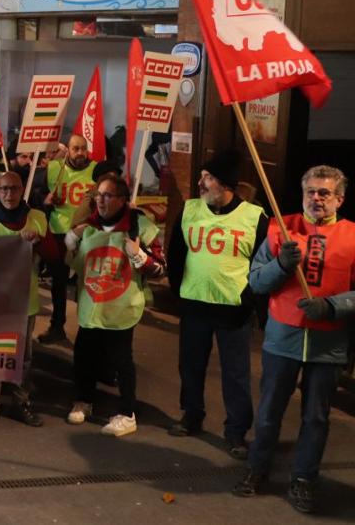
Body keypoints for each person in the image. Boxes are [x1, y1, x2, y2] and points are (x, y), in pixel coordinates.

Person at [234, 166, 355, 514]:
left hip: (328, 344)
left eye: (325, 193)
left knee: (316, 418)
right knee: (270, 411)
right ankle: (257, 467)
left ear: (340, 199)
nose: (316, 198)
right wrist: (280, 266)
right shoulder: (279, 229)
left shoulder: (352, 235)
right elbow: (256, 281)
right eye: (311, 192)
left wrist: (332, 307)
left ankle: (303, 479)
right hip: (281, 339)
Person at [166, 153, 266, 458]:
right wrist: (178, 293)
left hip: (232, 308)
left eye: (207, 177)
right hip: (195, 304)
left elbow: (262, 262)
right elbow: (176, 254)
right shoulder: (190, 209)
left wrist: (250, 299)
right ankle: (192, 414)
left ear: (224, 185)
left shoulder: (254, 216)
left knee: (235, 373)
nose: (200, 182)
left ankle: (236, 431)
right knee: (190, 366)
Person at [63, 173, 164, 437]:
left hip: (121, 308)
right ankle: (84, 399)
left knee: (122, 361)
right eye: (98, 195)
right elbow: (71, 263)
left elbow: (160, 270)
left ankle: (127, 412)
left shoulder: (140, 227)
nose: (101, 200)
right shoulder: (88, 227)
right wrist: (70, 241)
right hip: (91, 306)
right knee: (83, 355)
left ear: (122, 200)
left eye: (107, 195)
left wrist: (140, 255)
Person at [0, 172, 56, 429]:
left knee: (23, 356)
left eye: (14, 189)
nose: (9, 194)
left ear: (22, 191)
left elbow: (54, 254)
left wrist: (38, 242)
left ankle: (21, 402)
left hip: (24, 300)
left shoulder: (37, 218)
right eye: (4, 189)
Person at [40, 134, 98, 346]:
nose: (80, 153)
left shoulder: (96, 171)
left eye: (83, 148)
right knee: (59, 283)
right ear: (69, 150)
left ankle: (88, 330)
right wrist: (46, 200)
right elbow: (36, 193)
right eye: (76, 148)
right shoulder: (55, 168)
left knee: (89, 284)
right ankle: (57, 326)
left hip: (87, 234)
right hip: (59, 231)